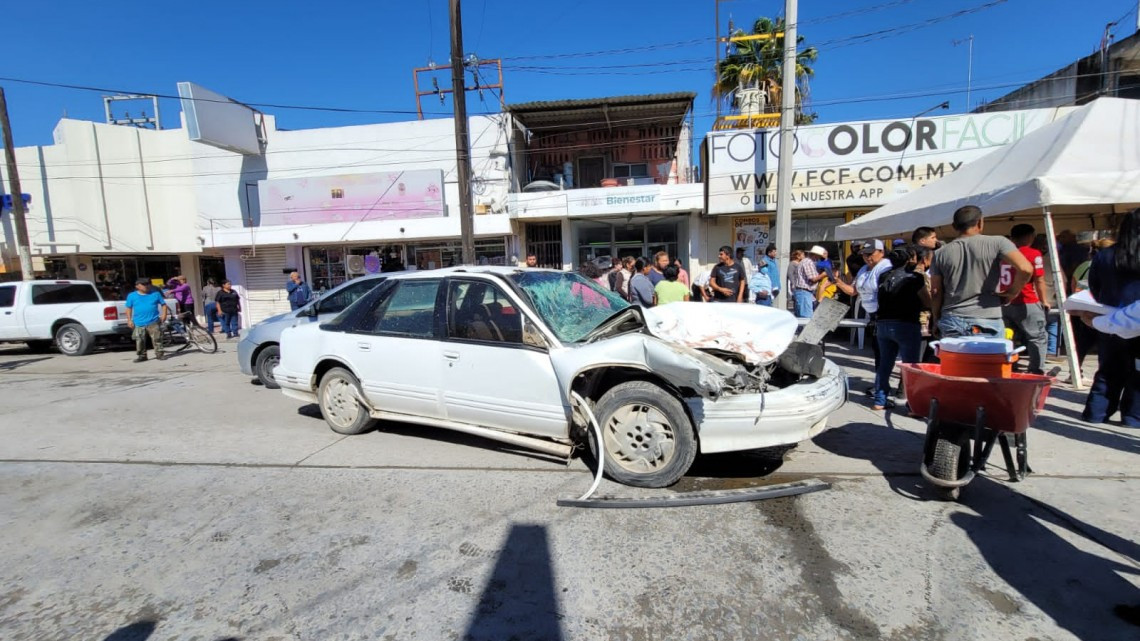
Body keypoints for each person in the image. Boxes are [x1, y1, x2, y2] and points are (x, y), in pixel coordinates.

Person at [929, 205, 1033, 338]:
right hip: (987, 317)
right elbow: (1025, 269)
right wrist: (1012, 292)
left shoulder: (940, 253)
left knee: (957, 358)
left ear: (954, 226)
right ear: (980, 222)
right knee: (987, 358)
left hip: (952, 318)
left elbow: (936, 292)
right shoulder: (998, 242)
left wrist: (936, 318)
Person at [1082, 209, 1140, 426]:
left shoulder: (1105, 255)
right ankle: (1133, 418)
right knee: (1138, 373)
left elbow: (1094, 288)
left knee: (1107, 370)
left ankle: (1096, 414)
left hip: (1109, 319)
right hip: (1137, 322)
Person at [868, 248, 931, 410]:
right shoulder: (915, 277)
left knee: (884, 364)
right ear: (909, 259)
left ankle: (879, 400)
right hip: (906, 323)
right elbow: (926, 300)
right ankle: (913, 405)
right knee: (911, 367)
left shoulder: (883, 276)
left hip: (883, 323)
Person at [833, 240, 893, 375]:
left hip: (884, 315)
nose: (867, 257)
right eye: (864, 254)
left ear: (881, 252)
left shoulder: (886, 267)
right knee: (878, 350)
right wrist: (838, 282)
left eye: (870, 254)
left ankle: (883, 385)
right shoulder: (863, 269)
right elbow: (853, 291)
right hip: (872, 314)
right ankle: (881, 383)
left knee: (884, 351)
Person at [1000, 224, 1050, 374]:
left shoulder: (1003, 253)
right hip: (1026, 300)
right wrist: (1044, 300)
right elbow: (1039, 280)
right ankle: (1036, 370)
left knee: (1008, 336)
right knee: (1037, 337)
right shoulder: (1033, 254)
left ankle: (1009, 365)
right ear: (1030, 237)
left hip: (1004, 301)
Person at [124, 277, 168, 363]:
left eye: (148, 284)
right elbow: (128, 308)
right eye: (144, 284)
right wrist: (129, 320)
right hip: (139, 322)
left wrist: (164, 314)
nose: (147, 286)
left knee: (157, 339)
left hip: (153, 320)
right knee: (140, 340)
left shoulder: (156, 294)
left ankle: (159, 354)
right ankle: (142, 355)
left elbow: (164, 305)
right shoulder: (132, 296)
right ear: (137, 286)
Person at [788, 246, 828, 317]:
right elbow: (813, 279)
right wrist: (824, 274)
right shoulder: (808, 262)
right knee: (806, 318)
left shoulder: (807, 262)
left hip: (803, 293)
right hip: (804, 293)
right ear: (816, 255)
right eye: (820, 256)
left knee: (801, 319)